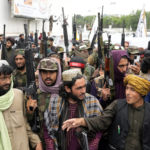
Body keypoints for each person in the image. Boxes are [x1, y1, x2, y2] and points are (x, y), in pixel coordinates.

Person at [62, 74, 150, 150]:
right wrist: (81, 121)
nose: (127, 92)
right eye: (127, 88)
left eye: (132, 90)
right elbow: (101, 121)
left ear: (141, 92)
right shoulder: (117, 105)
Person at [44, 68, 103, 150]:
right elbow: (48, 129)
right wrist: (51, 147)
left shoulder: (92, 102)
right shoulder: (55, 102)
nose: (83, 91)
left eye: (84, 86)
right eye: (79, 88)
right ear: (68, 89)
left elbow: (99, 127)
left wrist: (92, 146)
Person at [0, 60, 42, 150]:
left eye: (9, 77)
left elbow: (25, 124)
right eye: (3, 78)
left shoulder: (18, 95)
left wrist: (37, 142)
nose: (8, 81)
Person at [26, 57, 62, 149]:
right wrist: (30, 112)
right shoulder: (34, 95)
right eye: (44, 72)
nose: (48, 76)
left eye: (52, 72)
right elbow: (28, 124)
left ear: (58, 73)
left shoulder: (65, 93)